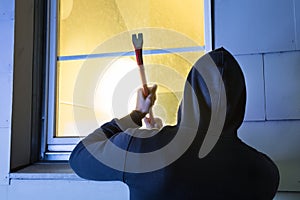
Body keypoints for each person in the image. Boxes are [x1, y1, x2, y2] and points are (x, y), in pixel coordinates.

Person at [69, 47, 280, 200]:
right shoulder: (265, 173)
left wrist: (137, 115)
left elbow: (80, 157)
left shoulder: (147, 150)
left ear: (190, 93)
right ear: (240, 100)